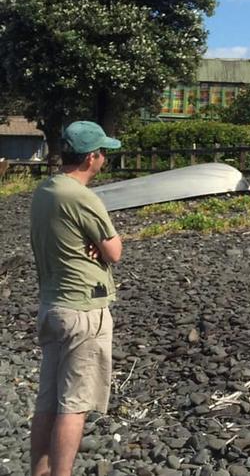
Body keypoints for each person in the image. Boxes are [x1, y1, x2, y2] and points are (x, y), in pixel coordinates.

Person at [30, 121, 123, 476]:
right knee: (74, 405)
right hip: (83, 309)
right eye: (102, 153)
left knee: (47, 403)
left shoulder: (45, 191)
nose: (103, 159)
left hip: (51, 304)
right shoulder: (81, 197)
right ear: (90, 157)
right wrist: (99, 249)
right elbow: (114, 251)